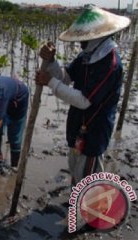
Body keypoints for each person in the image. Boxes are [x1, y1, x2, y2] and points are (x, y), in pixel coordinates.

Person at [34, 5, 131, 185]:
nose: (81, 43)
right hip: (78, 124)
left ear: (97, 36)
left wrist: (49, 82)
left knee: (89, 180)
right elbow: (66, 79)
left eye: (85, 39)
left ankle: (85, 210)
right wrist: (51, 62)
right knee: (76, 170)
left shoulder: (110, 64)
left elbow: (84, 101)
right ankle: (76, 206)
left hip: (94, 130)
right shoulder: (86, 56)